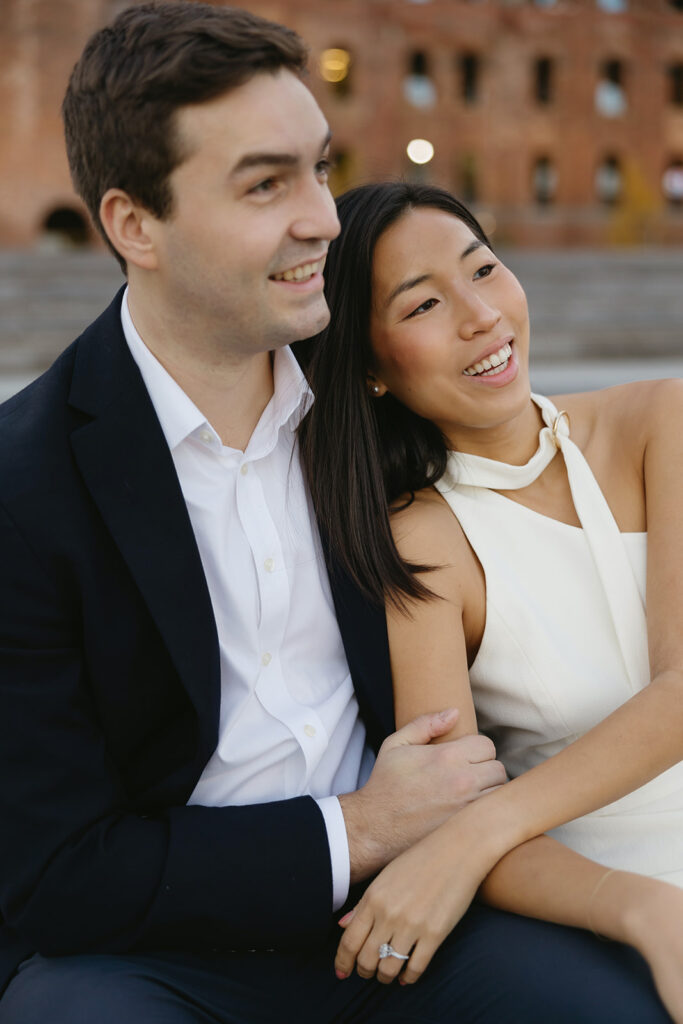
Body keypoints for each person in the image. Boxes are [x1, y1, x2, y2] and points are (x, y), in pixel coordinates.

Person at [0, 4, 673, 1020]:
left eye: (317, 167)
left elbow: (523, 408)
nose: (320, 214)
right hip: (150, 949)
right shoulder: (25, 481)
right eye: (265, 183)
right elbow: (57, 870)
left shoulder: (372, 396)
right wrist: (355, 828)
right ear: (134, 224)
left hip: (421, 914)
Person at [297, 180, 683, 1019]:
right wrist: (645, 910)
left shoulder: (663, 420)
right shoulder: (422, 542)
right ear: (367, 367)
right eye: (425, 302)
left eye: (484, 268)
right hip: (605, 914)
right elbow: (447, 809)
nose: (481, 315)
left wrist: (476, 829)